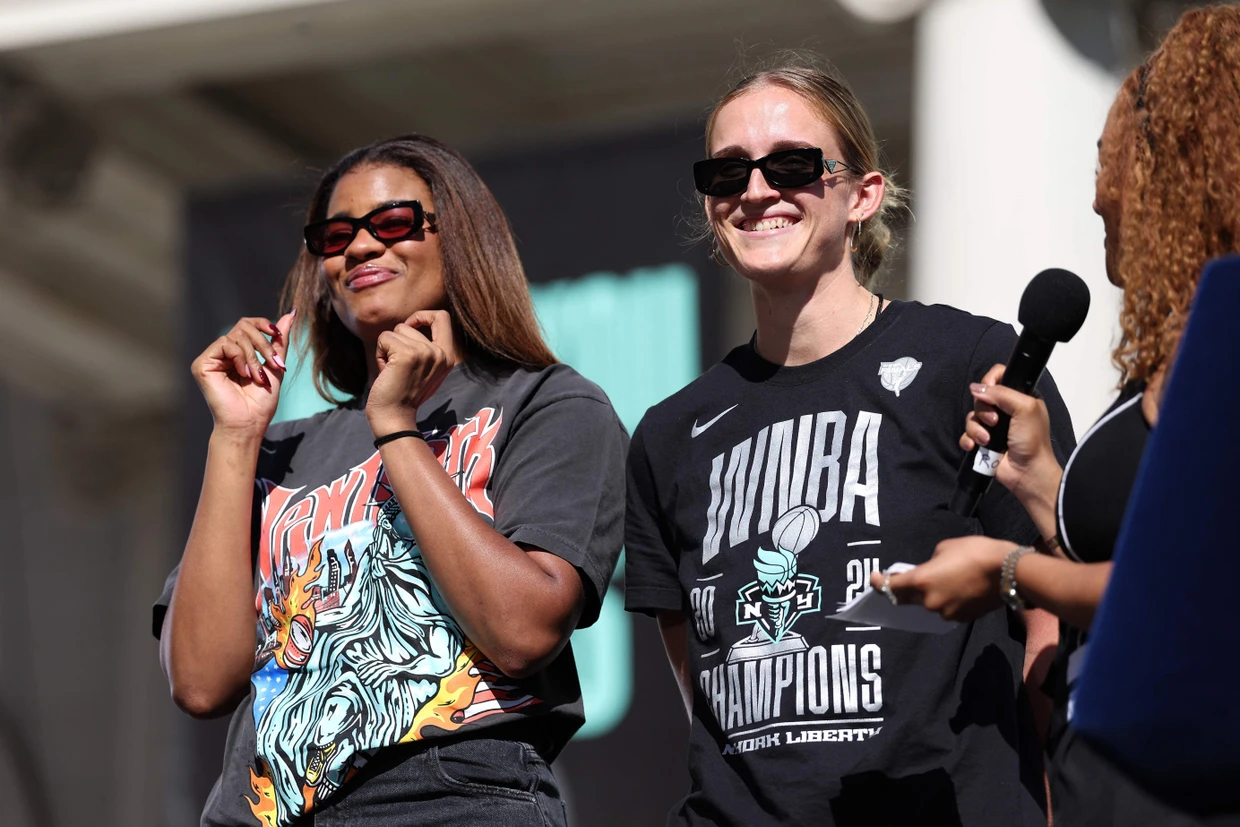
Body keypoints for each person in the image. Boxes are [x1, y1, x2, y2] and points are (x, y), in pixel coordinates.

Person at [623, 56, 1077, 827]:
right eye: (728, 171)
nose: (756, 190)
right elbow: (704, 692)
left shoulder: (969, 364)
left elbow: (1050, 621)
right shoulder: (668, 436)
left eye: (791, 165)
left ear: (862, 194)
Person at [153, 135, 628, 827]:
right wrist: (235, 435)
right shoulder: (277, 449)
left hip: (449, 802)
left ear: (459, 240)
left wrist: (397, 426)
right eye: (336, 235)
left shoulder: (548, 403)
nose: (360, 247)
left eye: (394, 222)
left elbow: (523, 631)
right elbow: (200, 682)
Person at [877, 5, 1240, 824]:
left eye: (1111, 158)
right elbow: (1133, 550)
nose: (1098, 196)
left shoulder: (1227, 340)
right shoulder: (1175, 351)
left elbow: (1171, 587)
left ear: (1181, 167)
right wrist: (1042, 483)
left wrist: (1004, 570)